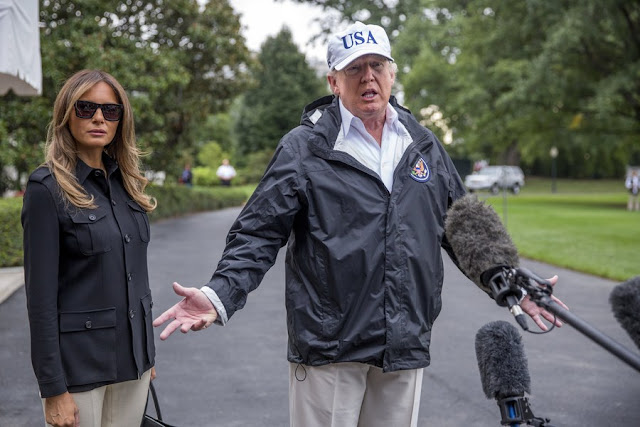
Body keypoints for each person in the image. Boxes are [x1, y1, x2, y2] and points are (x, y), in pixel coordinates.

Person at [153, 22, 566, 427]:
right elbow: (258, 233)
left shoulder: (421, 143)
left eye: (377, 65)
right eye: (354, 68)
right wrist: (219, 294)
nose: (368, 77)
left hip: (404, 343)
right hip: (330, 349)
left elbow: (463, 226)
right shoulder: (304, 148)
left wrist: (509, 282)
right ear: (334, 81)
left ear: (392, 73)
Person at [21, 69, 157, 427]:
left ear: (120, 121)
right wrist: (52, 387)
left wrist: (146, 354)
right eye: (86, 108)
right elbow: (40, 300)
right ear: (67, 114)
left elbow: (136, 277)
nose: (99, 117)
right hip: (78, 370)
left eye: (110, 111)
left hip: (133, 364)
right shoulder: (46, 189)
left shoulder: (128, 187)